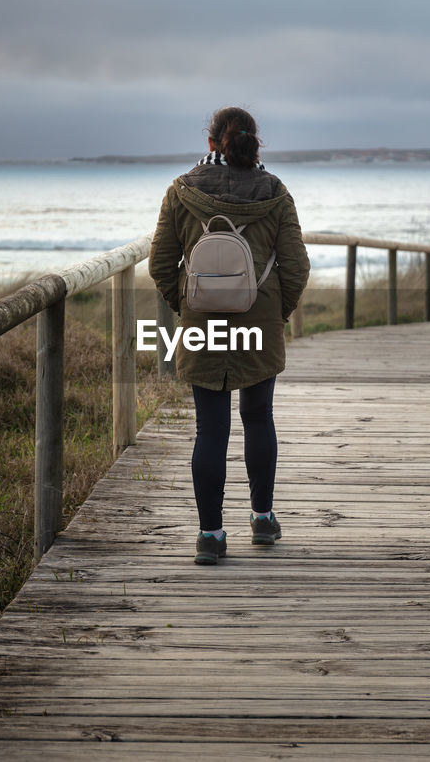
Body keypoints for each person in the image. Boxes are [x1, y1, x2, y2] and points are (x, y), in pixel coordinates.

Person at [148, 107, 310, 565]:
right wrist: (276, 314)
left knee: (210, 428)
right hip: (259, 318)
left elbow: (160, 264)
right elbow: (296, 267)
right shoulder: (276, 193)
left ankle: (211, 536)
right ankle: (261, 519)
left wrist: (189, 309)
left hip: (202, 322)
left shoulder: (181, 191)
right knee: (258, 417)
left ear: (212, 141)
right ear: (254, 143)